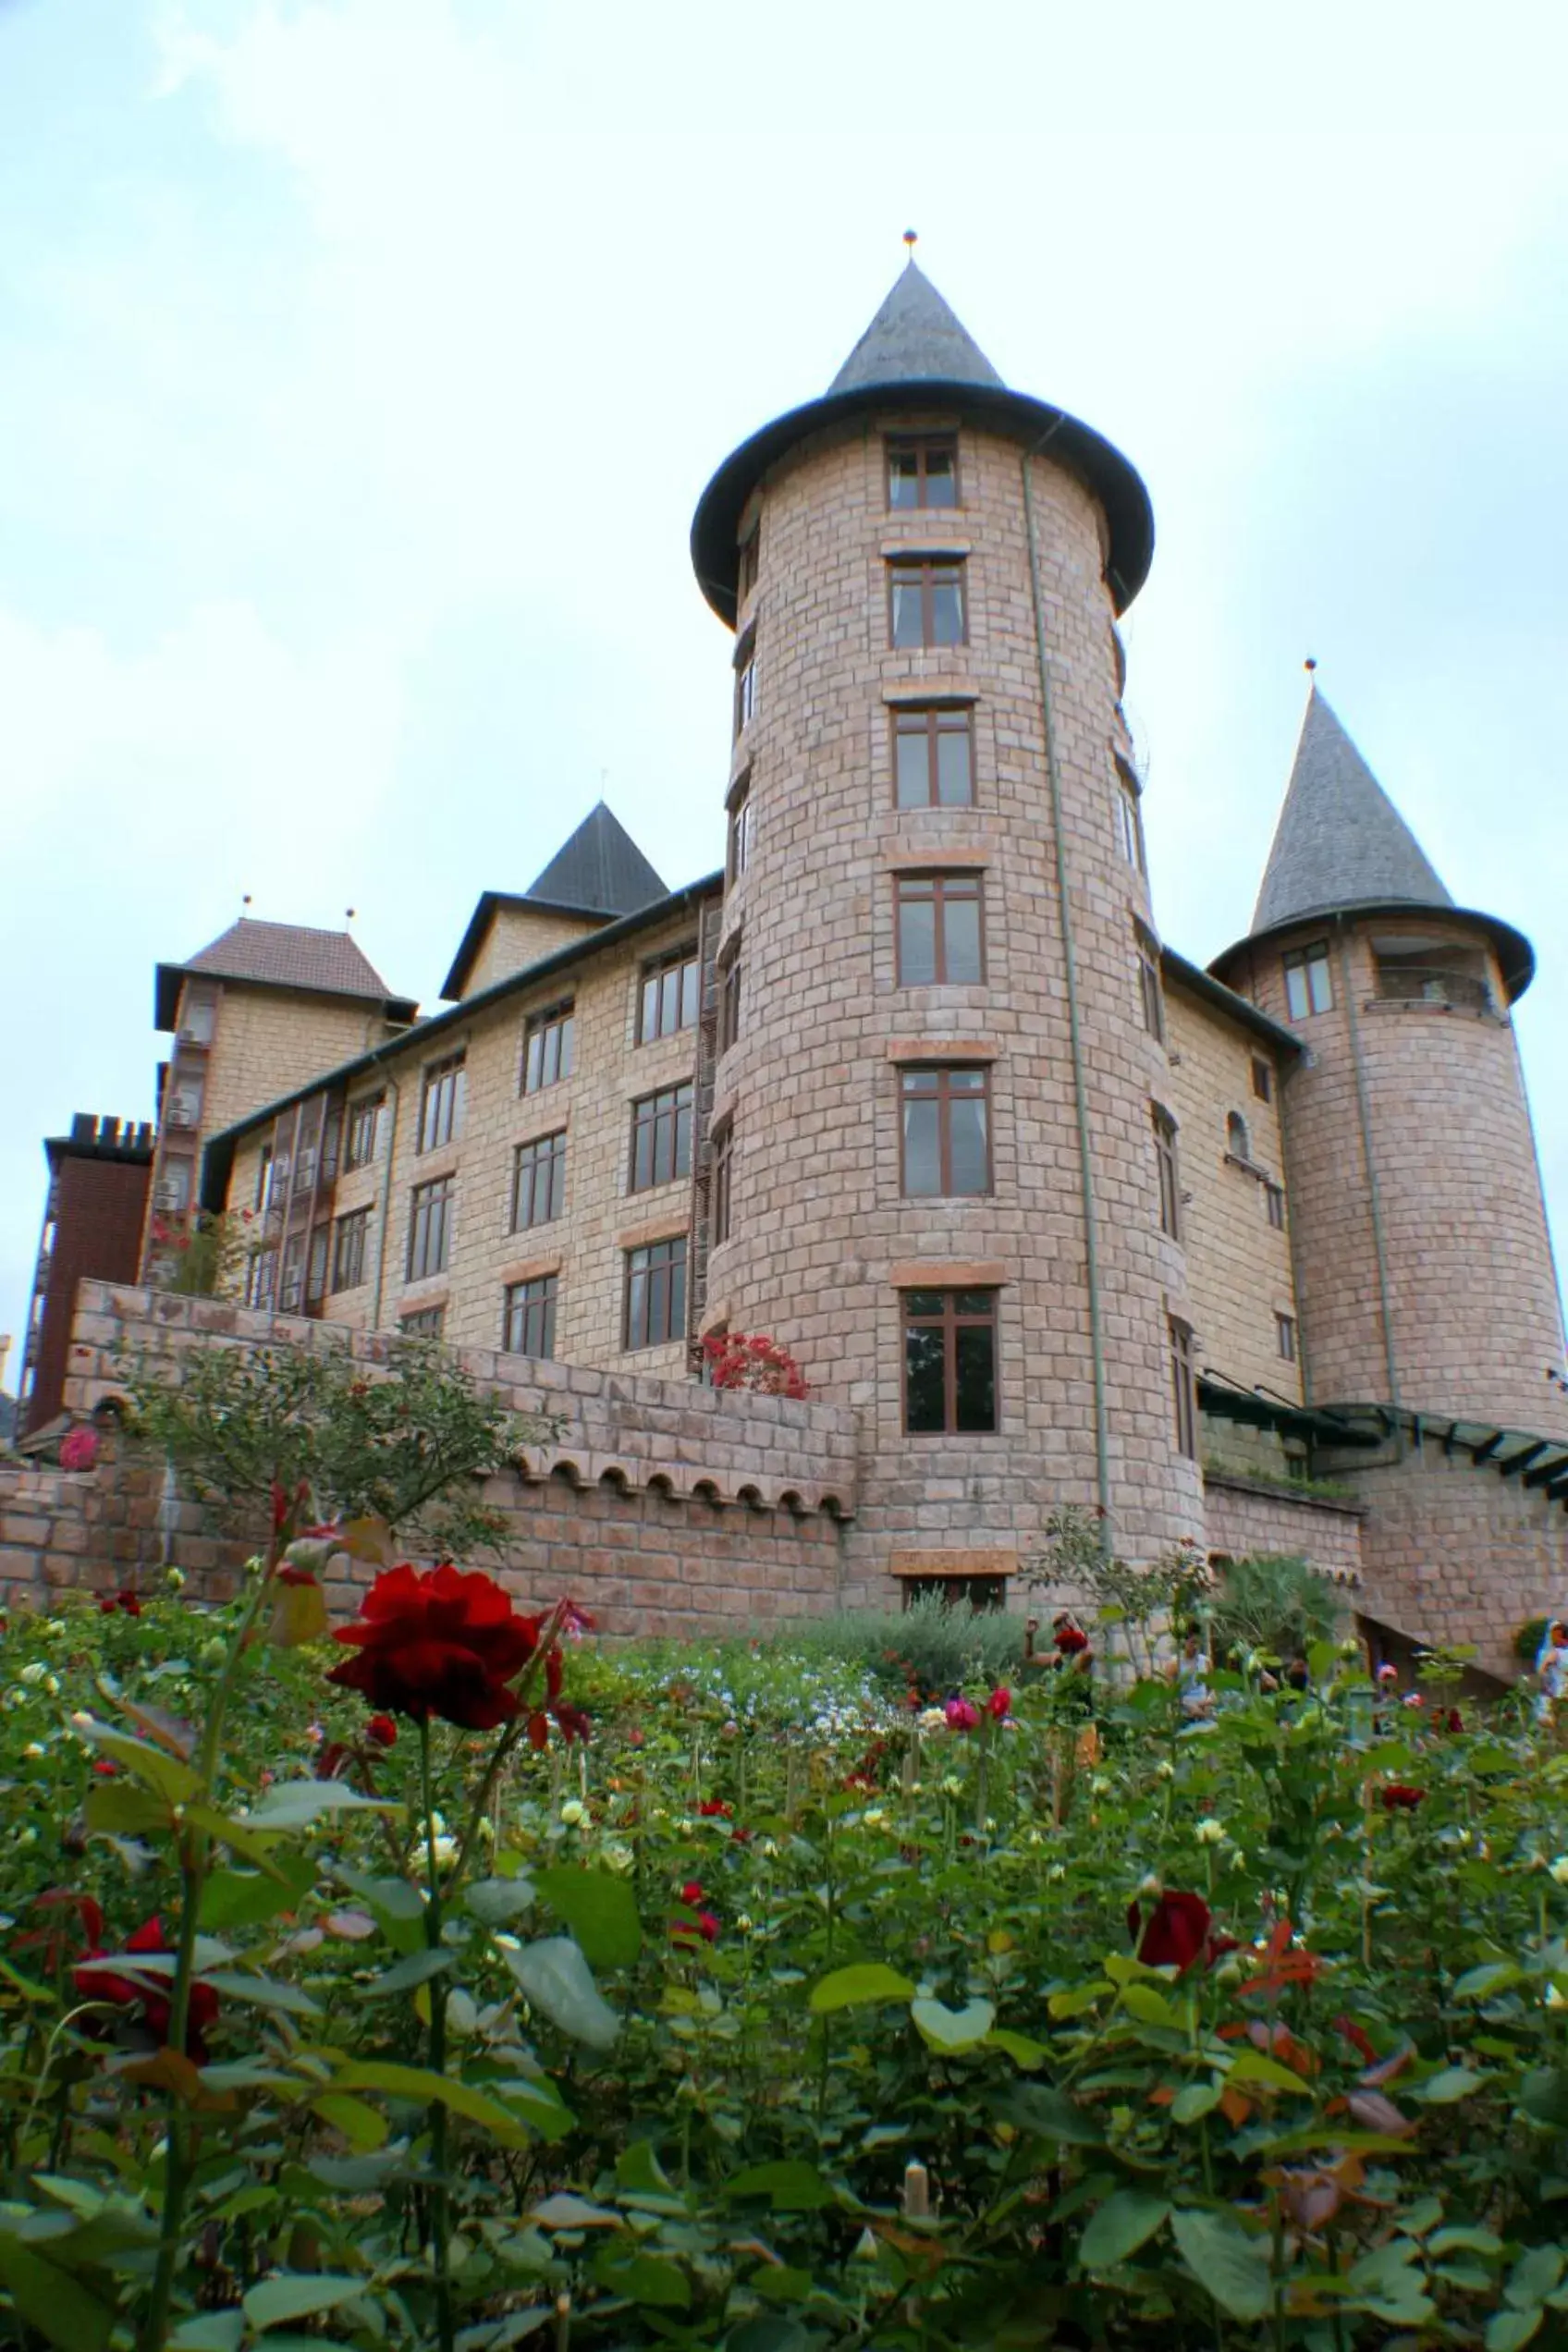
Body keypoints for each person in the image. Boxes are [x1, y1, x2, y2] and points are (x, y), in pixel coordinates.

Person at [1171, 1627, 1214, 1720]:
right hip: (1184, 1714)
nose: (1195, 1646)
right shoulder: (1174, 1664)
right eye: (1193, 1642)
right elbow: (1170, 1695)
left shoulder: (1206, 1662)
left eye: (1198, 1643)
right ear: (1184, 1642)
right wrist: (1190, 1706)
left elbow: (1213, 1690)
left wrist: (1206, 1702)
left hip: (1204, 1711)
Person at [1536, 1620, 1568, 1728]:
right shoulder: (1554, 1653)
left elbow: (1542, 1669)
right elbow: (1543, 1668)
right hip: (1559, 1690)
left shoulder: (1556, 1653)